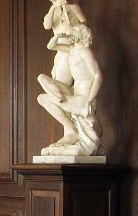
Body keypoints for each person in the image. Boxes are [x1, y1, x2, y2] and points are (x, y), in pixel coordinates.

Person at [37, 23, 104, 156]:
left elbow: (98, 77)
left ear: (82, 35)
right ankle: (59, 98)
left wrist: (89, 101)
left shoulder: (85, 52)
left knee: (43, 99)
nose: (72, 31)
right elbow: (51, 46)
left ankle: (71, 129)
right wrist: (57, 37)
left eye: (75, 30)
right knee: (42, 78)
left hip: (83, 100)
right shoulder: (72, 50)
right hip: (74, 95)